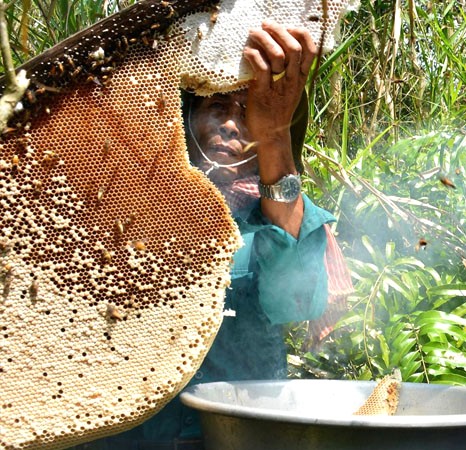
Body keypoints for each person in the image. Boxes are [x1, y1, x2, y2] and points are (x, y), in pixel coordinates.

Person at [75, 21, 352, 450]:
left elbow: (297, 301)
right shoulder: (128, 200)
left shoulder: (279, 213)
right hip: (129, 434)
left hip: (237, 434)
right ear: (186, 116)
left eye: (247, 113)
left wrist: (274, 133)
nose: (230, 125)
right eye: (218, 106)